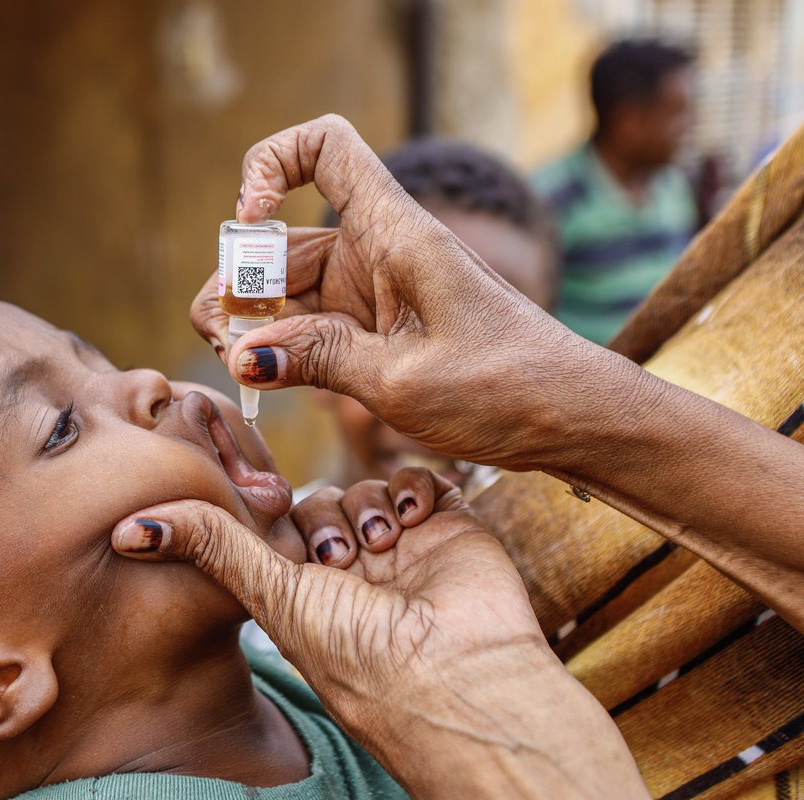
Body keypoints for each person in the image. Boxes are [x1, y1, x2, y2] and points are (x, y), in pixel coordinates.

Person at [0, 299, 593, 799]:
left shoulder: (280, 667)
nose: (145, 383)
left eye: (96, 356)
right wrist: (499, 686)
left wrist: (442, 651)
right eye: (58, 428)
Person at [167, 113, 804, 794]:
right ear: (310, 364)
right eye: (387, 336)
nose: (425, 416)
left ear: (545, 336)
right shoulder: (264, 600)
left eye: (474, 342)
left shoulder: (630, 539)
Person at [319, 139, 557, 492]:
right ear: (313, 355)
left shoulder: (590, 540)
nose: (433, 397)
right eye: (394, 334)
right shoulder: (250, 542)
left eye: (493, 347)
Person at [533, 38, 697, 344]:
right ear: (629, 121)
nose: (686, 127)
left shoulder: (674, 186)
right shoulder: (549, 198)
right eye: (676, 113)